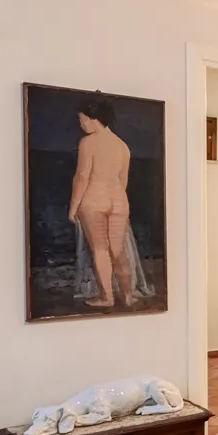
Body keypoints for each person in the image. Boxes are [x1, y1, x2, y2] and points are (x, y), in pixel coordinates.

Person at [68, 96, 135, 307]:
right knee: (118, 250)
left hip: (94, 200)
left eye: (83, 120)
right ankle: (128, 295)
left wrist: (73, 207)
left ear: (94, 118)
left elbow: (82, 176)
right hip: (118, 200)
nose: (81, 124)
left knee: (100, 249)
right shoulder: (122, 146)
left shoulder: (88, 142)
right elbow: (123, 180)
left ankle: (107, 298)